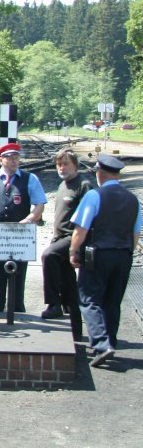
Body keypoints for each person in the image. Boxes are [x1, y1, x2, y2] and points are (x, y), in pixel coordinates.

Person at [69, 153, 142, 367]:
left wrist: (73, 251)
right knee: (113, 300)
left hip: (98, 254)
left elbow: (80, 230)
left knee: (89, 299)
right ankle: (111, 341)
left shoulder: (94, 196)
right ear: (117, 175)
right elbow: (136, 233)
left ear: (99, 173)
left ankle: (102, 345)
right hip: (124, 255)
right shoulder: (134, 200)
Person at [0, 142, 46, 312]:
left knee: (18, 272)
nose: (14, 161)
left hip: (20, 234)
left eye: (16, 158)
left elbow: (39, 205)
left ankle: (17, 307)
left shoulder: (30, 179)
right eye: (10, 158)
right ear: (1, 160)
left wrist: (29, 219)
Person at [40, 149, 92, 336]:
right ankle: (76, 332)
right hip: (61, 237)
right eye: (59, 164)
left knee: (49, 255)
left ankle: (54, 304)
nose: (61, 168)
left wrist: (77, 247)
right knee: (69, 286)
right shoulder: (63, 185)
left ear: (75, 165)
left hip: (74, 237)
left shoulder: (84, 185)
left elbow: (89, 217)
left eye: (66, 164)